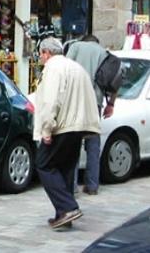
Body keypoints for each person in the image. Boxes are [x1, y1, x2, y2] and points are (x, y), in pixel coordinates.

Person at [34, 37, 100, 230]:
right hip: (78, 125)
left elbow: (50, 101)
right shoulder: (76, 68)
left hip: (62, 126)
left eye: (41, 55)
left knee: (44, 164)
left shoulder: (53, 68)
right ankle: (63, 215)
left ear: (47, 53)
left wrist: (47, 128)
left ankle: (67, 207)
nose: (41, 59)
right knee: (64, 168)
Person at [66, 34, 117, 195]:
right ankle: (92, 185)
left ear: (84, 40)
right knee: (93, 144)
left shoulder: (75, 47)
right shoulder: (105, 54)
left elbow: (65, 70)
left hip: (76, 100)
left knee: (73, 143)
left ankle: (72, 186)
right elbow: (116, 79)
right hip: (95, 102)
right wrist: (111, 104)